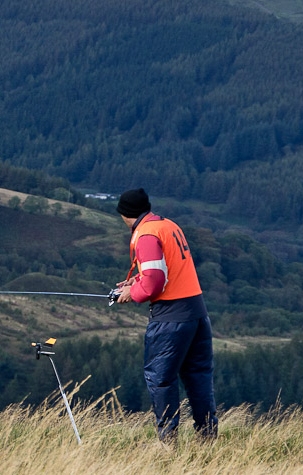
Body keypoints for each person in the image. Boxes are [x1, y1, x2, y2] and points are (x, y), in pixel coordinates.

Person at [114, 188, 218, 442]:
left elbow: (154, 283)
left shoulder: (146, 235)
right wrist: (135, 282)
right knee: (199, 376)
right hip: (197, 314)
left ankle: (168, 445)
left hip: (171, 319)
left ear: (125, 215)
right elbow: (167, 268)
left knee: (161, 380)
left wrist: (133, 293)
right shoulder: (168, 225)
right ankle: (208, 438)